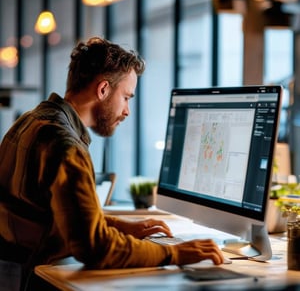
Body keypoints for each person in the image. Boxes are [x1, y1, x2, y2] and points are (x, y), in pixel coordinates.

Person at [0, 37, 225, 290]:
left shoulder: (29, 122)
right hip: (35, 281)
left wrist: (117, 225)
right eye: (127, 97)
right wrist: (176, 254)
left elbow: (53, 215)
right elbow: (95, 248)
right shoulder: (66, 147)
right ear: (103, 89)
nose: (127, 110)